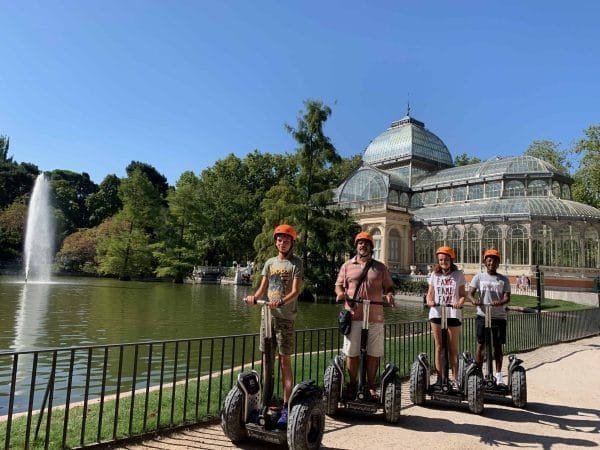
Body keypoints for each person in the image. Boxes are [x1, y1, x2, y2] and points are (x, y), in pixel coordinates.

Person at [244, 224, 303, 429]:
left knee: (284, 362)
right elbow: (262, 289)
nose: (282, 242)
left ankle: (287, 406)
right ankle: (264, 403)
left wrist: (282, 301)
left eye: (286, 240)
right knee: (265, 360)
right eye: (279, 239)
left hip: (285, 318)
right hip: (267, 316)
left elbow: (295, 291)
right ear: (275, 241)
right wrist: (254, 297)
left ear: (291, 243)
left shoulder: (296, 263)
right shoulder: (269, 263)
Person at [334, 231, 395, 399]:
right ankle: (353, 385)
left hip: (375, 316)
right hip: (353, 314)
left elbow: (389, 287)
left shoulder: (380, 267)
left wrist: (389, 295)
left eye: (366, 243)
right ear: (356, 246)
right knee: (352, 353)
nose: (363, 245)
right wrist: (340, 293)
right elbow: (339, 285)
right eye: (360, 243)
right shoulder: (347, 265)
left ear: (371, 247)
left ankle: (370, 386)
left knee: (373, 353)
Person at [468, 248, 511, 385]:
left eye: (494, 260)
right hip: (482, 315)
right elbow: (470, 293)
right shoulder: (478, 277)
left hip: (498, 316)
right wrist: (474, 300)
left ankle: (498, 375)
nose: (491, 262)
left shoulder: (503, 279)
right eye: (489, 260)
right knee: (480, 345)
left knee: (498, 346)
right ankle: (479, 373)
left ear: (498, 263)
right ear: (485, 262)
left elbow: (507, 297)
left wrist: (500, 302)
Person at [426, 246, 466, 388]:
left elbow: (462, 294)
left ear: (451, 260)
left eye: (446, 259)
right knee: (439, 346)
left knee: (452, 347)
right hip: (437, 313)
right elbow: (430, 293)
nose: (444, 262)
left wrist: (459, 302)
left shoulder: (458, 274)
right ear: (438, 260)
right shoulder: (434, 275)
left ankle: (455, 380)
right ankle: (440, 378)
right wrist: (429, 301)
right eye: (441, 259)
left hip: (453, 313)